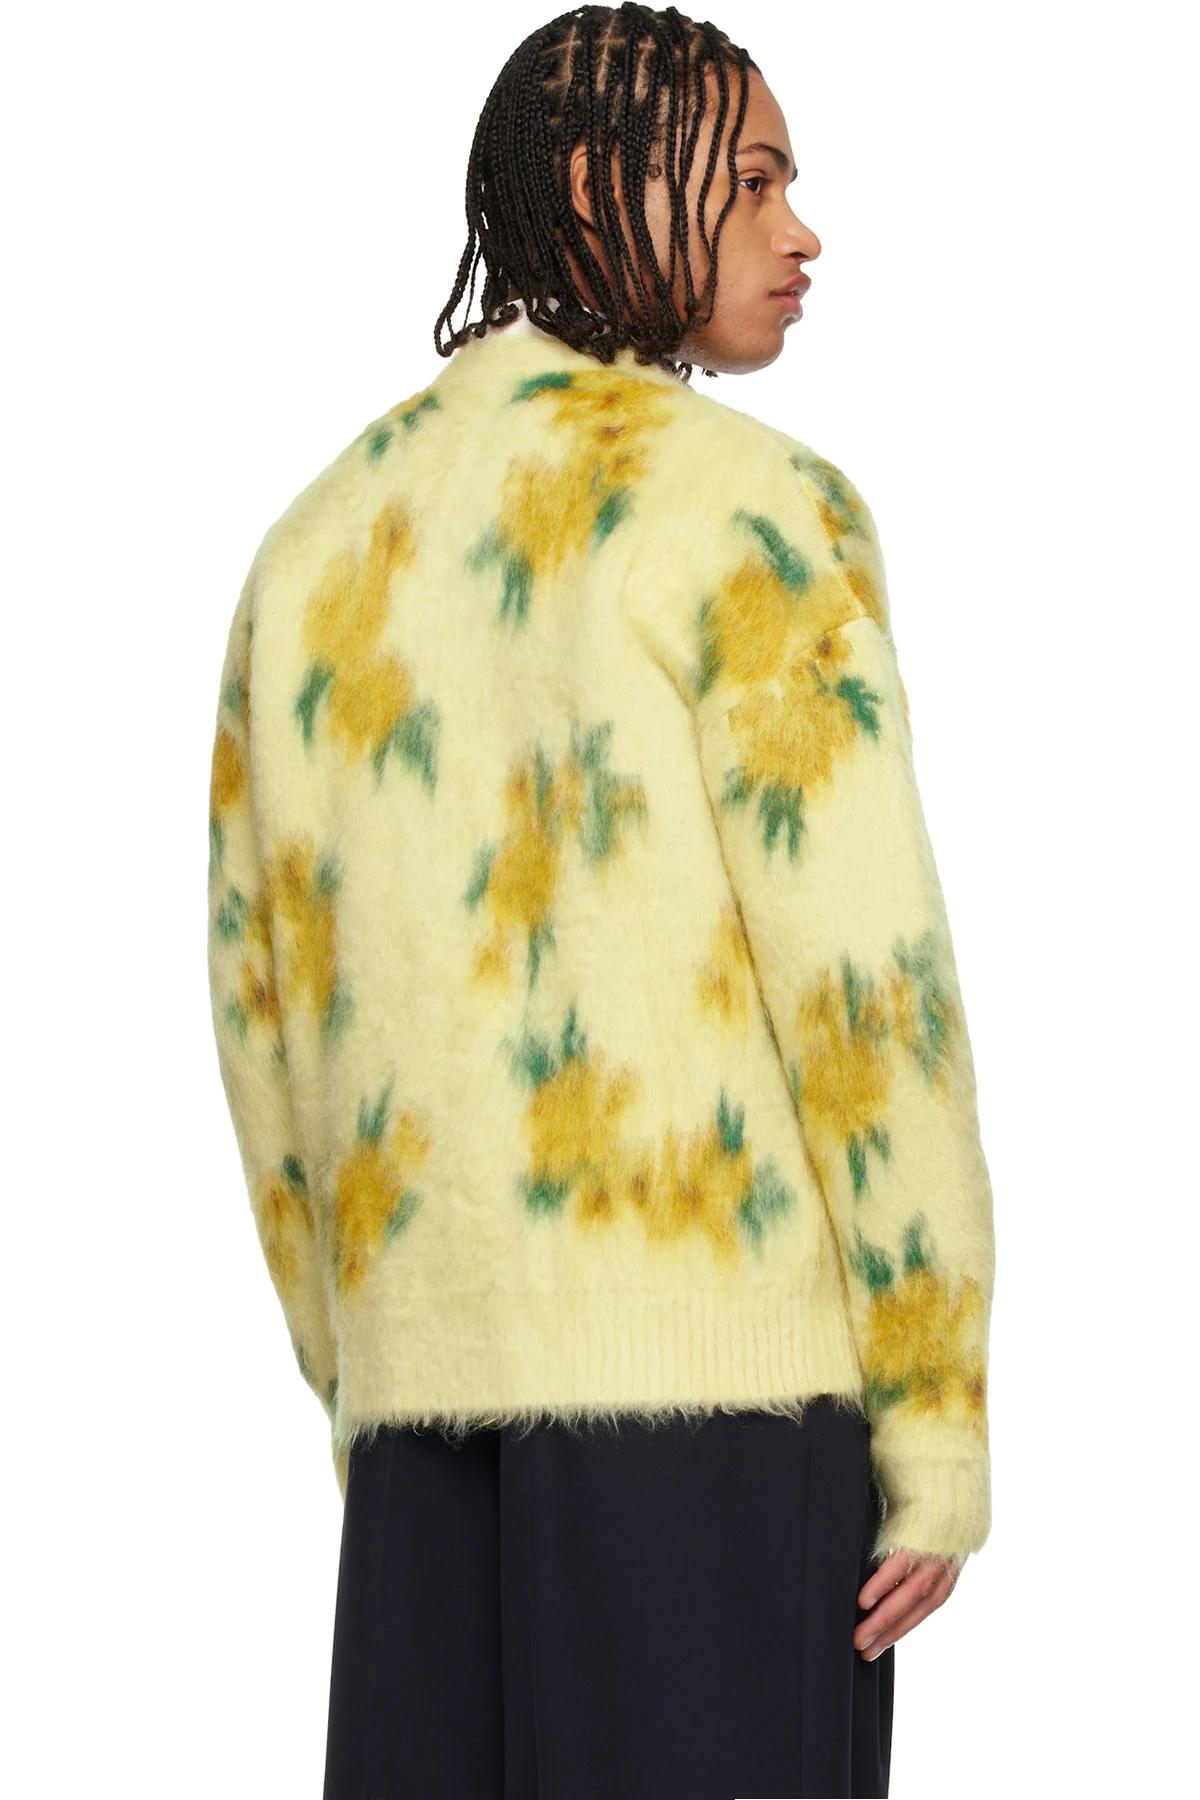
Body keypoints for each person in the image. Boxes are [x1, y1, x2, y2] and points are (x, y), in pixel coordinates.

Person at [205, 5, 996, 1795]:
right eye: (757, 182)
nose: (803, 231)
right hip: (723, 1422)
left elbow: (264, 1016)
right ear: (597, 185)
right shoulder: (749, 511)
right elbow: (865, 985)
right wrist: (936, 1413)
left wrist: (369, 1371)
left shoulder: (316, 549)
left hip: (422, 1437)